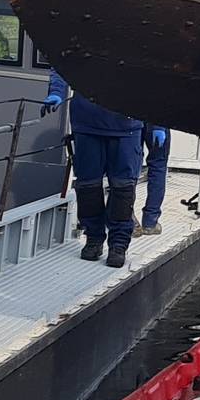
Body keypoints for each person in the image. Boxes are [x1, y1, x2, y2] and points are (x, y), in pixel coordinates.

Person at [41, 69, 163, 267]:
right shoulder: (84, 38)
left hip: (127, 128)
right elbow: (62, 64)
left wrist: (158, 124)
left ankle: (118, 244)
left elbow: (157, 80)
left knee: (123, 188)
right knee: (87, 187)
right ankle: (94, 239)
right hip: (87, 125)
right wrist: (56, 92)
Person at [136, 124, 172, 236]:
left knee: (131, 167)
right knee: (158, 168)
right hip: (157, 123)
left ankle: (129, 220)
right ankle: (150, 222)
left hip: (132, 120)